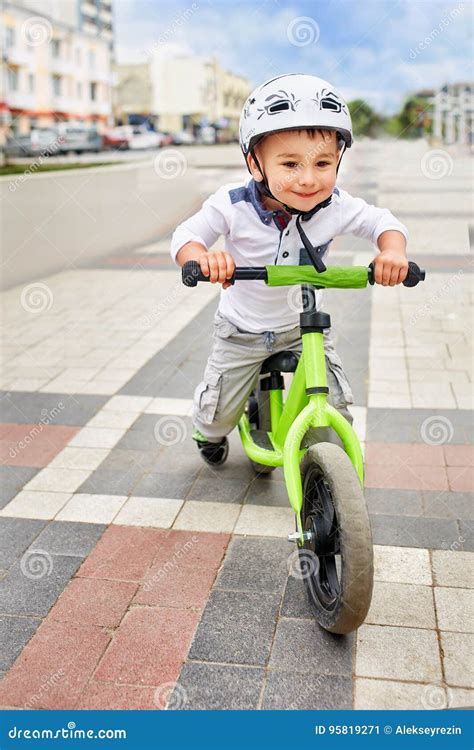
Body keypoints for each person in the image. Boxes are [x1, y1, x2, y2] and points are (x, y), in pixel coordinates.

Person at [170, 73, 409, 465]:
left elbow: (383, 223)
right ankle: (211, 426)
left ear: (339, 161)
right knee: (217, 419)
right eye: (290, 163)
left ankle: (327, 465)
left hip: (304, 328)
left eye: (323, 163)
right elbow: (186, 236)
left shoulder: (336, 205)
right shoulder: (233, 205)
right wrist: (201, 257)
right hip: (241, 329)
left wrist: (392, 252)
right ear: (255, 163)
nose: (309, 179)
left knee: (332, 408)